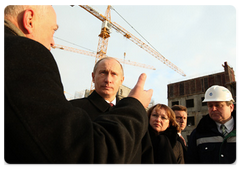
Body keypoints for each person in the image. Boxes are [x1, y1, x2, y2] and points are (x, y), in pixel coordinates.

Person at [2, 3, 153, 164]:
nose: (53, 42)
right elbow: (81, 155)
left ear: (122, 80)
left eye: (114, 74)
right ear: (29, 20)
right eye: (53, 30)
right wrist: (135, 106)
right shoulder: (21, 52)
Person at [70, 57, 154, 164]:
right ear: (93, 77)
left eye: (114, 74)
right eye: (103, 72)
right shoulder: (74, 109)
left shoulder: (137, 114)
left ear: (121, 80)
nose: (108, 80)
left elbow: (146, 156)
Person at [187, 85, 237, 164]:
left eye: (218, 105)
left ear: (231, 107)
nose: (213, 109)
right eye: (210, 106)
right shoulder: (198, 134)